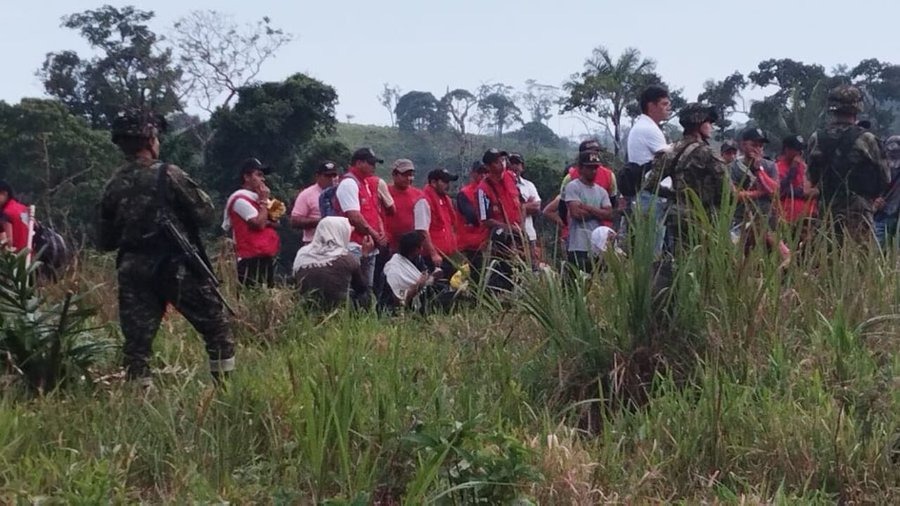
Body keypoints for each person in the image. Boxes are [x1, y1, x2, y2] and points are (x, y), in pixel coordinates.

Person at [99, 109, 234, 386]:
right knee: (216, 328)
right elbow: (206, 215)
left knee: (137, 346)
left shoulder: (112, 184)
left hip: (133, 268)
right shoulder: (168, 174)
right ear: (150, 139)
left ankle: (139, 400)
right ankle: (225, 390)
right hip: (175, 265)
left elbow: (104, 241)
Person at [807, 85, 889, 245]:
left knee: (826, 261)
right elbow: (885, 177)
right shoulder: (867, 139)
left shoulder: (816, 138)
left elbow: (812, 176)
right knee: (861, 262)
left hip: (827, 210)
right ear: (857, 107)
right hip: (859, 212)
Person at [643, 103, 727, 252]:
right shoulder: (708, 153)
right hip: (704, 219)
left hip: (677, 218)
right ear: (699, 123)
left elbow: (650, 185)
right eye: (709, 122)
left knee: (680, 262)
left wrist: (675, 195)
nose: (711, 127)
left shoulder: (669, 151)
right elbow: (727, 192)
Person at [223, 158, 281, 287]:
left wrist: (266, 207)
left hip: (266, 255)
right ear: (247, 177)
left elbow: (278, 221)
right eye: (259, 175)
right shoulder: (239, 199)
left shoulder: (261, 197)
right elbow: (259, 224)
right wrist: (264, 202)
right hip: (248, 258)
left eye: (263, 176)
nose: (263, 179)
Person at [628, 85, 672, 255]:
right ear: (651, 106)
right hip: (650, 195)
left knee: (651, 246)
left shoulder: (644, 127)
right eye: (663, 104)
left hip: (647, 194)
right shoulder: (648, 129)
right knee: (652, 250)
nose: (668, 108)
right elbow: (670, 157)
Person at [335, 147, 388, 289]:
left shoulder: (364, 183)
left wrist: (381, 231)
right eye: (370, 163)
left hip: (368, 244)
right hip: (354, 245)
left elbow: (374, 211)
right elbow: (354, 217)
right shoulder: (349, 183)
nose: (374, 167)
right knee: (355, 288)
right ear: (359, 163)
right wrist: (376, 235)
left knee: (367, 288)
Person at [293, 216, 369, 309]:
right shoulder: (345, 259)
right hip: (338, 310)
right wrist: (365, 256)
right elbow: (362, 287)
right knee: (364, 296)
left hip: (307, 307)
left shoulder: (302, 254)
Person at [563, 150, 619, 273]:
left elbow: (610, 215)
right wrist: (599, 212)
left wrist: (587, 207)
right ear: (581, 168)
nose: (593, 171)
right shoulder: (573, 186)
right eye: (589, 168)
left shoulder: (602, 191)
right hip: (578, 244)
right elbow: (576, 214)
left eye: (595, 168)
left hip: (598, 246)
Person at [477, 148, 524, 290]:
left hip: (517, 235)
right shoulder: (483, 189)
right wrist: (509, 228)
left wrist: (520, 229)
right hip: (498, 241)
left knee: (520, 273)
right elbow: (485, 220)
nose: (502, 164)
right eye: (497, 162)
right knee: (501, 275)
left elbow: (520, 203)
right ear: (488, 166)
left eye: (502, 160)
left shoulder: (511, 178)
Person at [381, 230, 445, 312]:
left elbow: (424, 276)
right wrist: (419, 285)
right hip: (391, 308)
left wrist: (433, 277)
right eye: (420, 247)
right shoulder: (394, 269)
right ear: (414, 249)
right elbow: (400, 299)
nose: (422, 249)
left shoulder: (417, 259)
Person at [418, 169, 460, 275]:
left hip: (446, 255)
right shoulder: (424, 201)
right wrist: (433, 254)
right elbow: (422, 230)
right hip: (432, 258)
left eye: (448, 182)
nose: (448, 185)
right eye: (444, 182)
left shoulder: (445, 200)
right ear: (433, 183)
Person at [290, 160, 339, 246]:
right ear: (318, 176)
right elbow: (295, 221)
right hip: (314, 244)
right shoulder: (307, 194)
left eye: (334, 175)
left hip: (338, 243)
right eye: (327, 176)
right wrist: (322, 222)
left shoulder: (341, 193)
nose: (331, 179)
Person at [456, 161, 489, 282]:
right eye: (480, 172)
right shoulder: (464, 193)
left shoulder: (489, 191)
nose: (483, 175)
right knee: (476, 278)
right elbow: (473, 217)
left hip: (485, 242)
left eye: (486, 172)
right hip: (471, 245)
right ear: (473, 173)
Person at [508, 153, 542, 268]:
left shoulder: (529, 185)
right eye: (511, 163)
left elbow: (537, 207)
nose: (514, 166)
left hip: (529, 234)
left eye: (517, 163)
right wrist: (527, 205)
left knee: (532, 268)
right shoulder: (503, 187)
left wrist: (521, 207)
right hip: (510, 235)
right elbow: (507, 208)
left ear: (522, 166)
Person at [385, 159, 425, 253]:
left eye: (410, 175)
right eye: (404, 175)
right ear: (394, 175)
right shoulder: (385, 192)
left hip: (411, 246)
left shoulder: (418, 194)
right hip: (390, 245)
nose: (408, 178)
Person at [775, 135, 817, 225]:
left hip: (807, 217)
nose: (800, 153)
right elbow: (782, 190)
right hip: (788, 218)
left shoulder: (803, 166)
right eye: (796, 150)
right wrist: (793, 168)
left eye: (801, 150)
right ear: (786, 150)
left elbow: (810, 188)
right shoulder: (777, 167)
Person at [874, 135, 900, 248]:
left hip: (890, 213)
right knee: (878, 251)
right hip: (882, 213)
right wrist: (874, 199)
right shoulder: (878, 167)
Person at [0, 180, 32, 252]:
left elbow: (8, 241)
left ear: (4, 194)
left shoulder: (6, 213)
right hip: (30, 255)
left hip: (15, 259)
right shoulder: (24, 209)